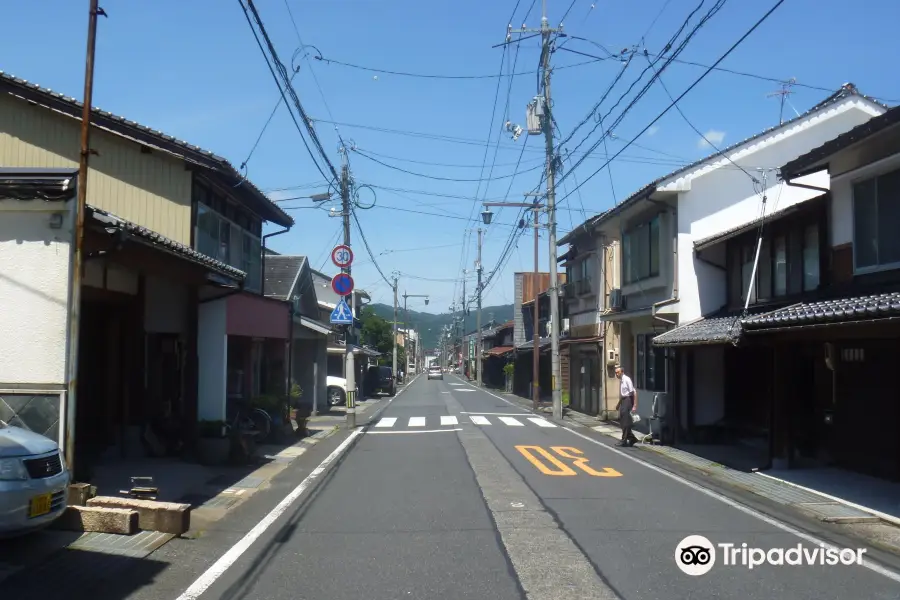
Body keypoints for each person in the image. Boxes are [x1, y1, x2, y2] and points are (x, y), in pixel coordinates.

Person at [615, 366, 639, 447]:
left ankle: (624, 440)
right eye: (616, 373)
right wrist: (618, 404)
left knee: (625, 422)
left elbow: (633, 392)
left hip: (628, 400)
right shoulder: (621, 380)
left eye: (617, 372)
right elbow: (623, 395)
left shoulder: (627, 379)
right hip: (624, 400)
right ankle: (632, 438)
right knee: (622, 421)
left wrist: (634, 405)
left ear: (622, 372)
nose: (616, 374)